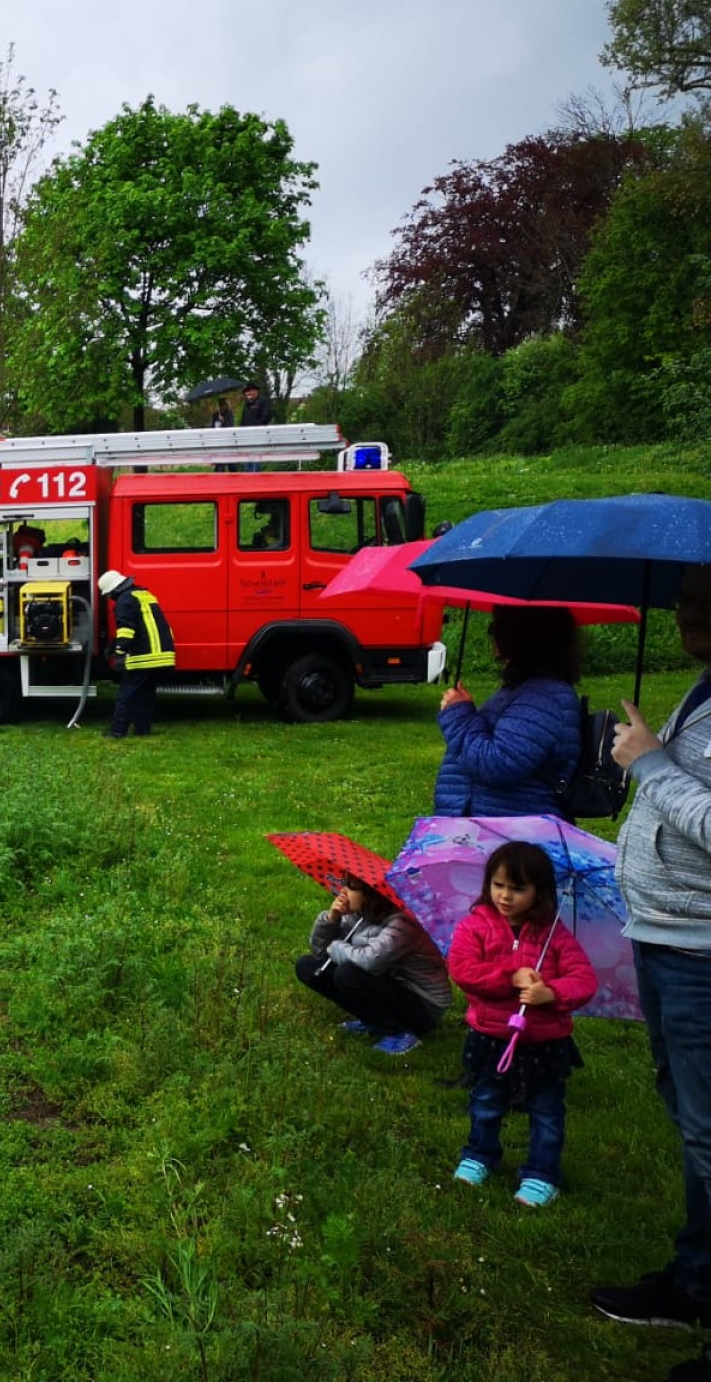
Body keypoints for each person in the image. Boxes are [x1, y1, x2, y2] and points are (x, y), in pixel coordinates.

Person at [593, 564, 711, 1358]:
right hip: (669, 933)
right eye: (684, 601)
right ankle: (697, 1280)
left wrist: (653, 765)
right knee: (692, 1121)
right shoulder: (704, 688)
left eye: (706, 603)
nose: (685, 614)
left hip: (702, 951)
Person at [447, 840, 596, 1208]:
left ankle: (542, 1172)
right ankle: (480, 1153)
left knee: (546, 1110)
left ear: (539, 892)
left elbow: (583, 980)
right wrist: (510, 977)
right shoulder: (475, 926)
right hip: (491, 1036)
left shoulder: (554, 935)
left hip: (545, 1042)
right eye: (498, 885)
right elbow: (463, 970)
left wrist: (552, 994)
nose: (505, 896)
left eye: (517, 888)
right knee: (486, 1100)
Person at [433, 605, 582, 818]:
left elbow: (499, 764)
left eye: (498, 625)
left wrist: (458, 715)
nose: (491, 633)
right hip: (492, 825)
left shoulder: (543, 698)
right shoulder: (528, 691)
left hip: (509, 830)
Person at [294, 871, 450, 1054]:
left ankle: (400, 1032)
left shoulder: (403, 924)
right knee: (308, 967)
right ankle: (372, 1019)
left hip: (422, 1004)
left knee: (348, 974)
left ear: (371, 896)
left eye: (351, 888)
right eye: (345, 884)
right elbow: (320, 952)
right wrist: (332, 918)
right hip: (387, 983)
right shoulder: (360, 914)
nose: (343, 891)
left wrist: (335, 946)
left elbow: (370, 961)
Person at [98, 570, 175, 738]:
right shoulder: (144, 594)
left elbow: (126, 629)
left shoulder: (124, 601)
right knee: (145, 695)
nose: (110, 598)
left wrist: (119, 652)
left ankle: (118, 731)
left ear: (114, 590)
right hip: (160, 654)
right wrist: (113, 645)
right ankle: (142, 729)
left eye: (109, 594)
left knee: (127, 695)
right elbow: (141, 625)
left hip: (143, 656)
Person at [238, 382, 272, 471]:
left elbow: (267, 416)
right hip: (246, 436)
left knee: (256, 460)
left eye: (250, 391)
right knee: (247, 460)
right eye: (246, 392)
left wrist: (256, 427)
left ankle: (255, 476)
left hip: (257, 435)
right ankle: (248, 476)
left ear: (256, 391)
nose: (248, 393)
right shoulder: (247, 404)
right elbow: (244, 420)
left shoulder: (263, 401)